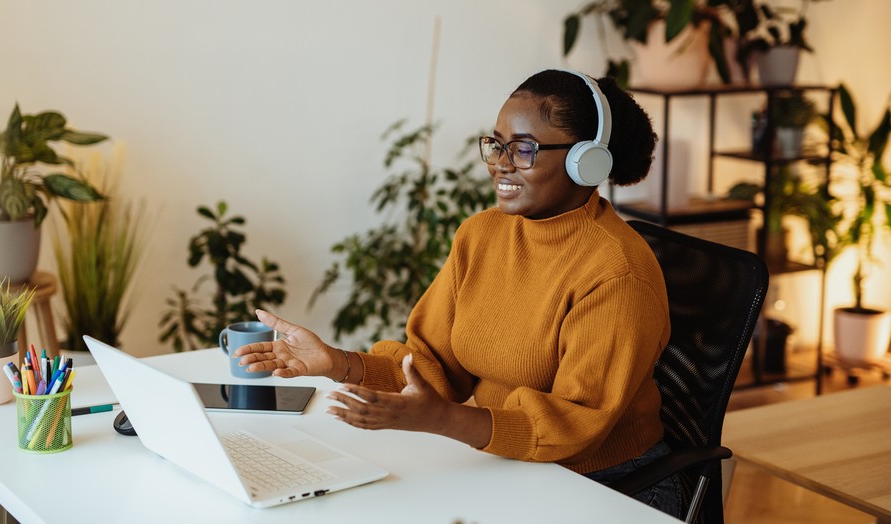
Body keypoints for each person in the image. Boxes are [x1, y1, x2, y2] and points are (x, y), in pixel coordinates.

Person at [235, 69, 678, 517]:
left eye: (524, 149)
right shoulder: (482, 235)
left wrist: (443, 420)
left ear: (587, 161)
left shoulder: (616, 272)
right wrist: (337, 362)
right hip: (513, 465)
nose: (501, 163)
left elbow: (575, 426)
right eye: (496, 144)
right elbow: (431, 365)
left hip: (610, 485)